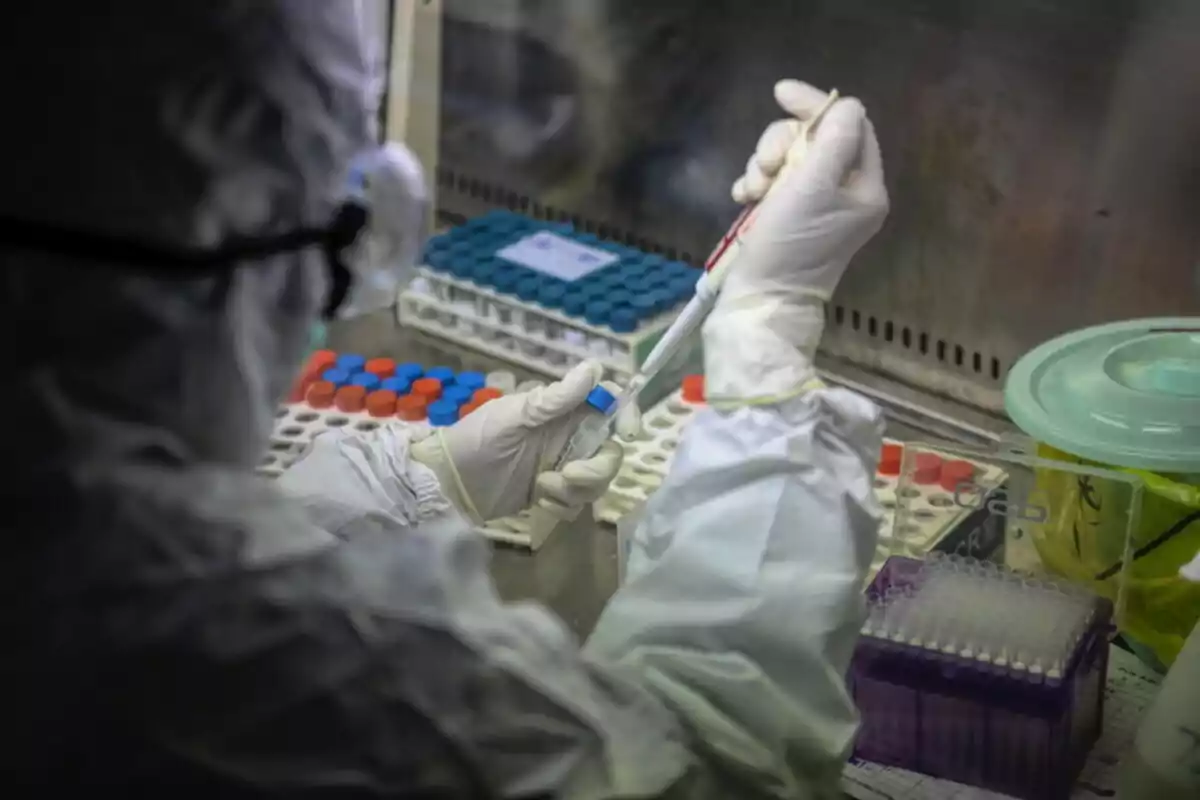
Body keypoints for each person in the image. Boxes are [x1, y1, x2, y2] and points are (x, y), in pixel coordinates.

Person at [0, 2, 887, 794]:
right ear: (253, 262)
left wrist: (419, 485)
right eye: (337, 230)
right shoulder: (295, 674)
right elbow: (716, 765)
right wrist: (768, 338)